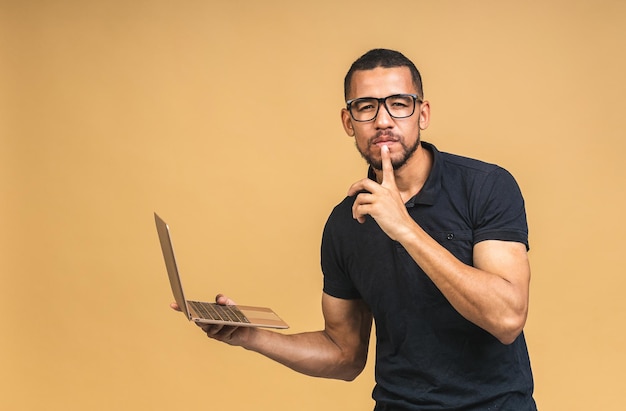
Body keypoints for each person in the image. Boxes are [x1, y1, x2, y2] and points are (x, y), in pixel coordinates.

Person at [171, 48, 536, 410]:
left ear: (422, 114)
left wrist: (404, 228)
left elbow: (506, 319)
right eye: (366, 107)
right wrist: (251, 337)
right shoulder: (345, 224)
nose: (383, 121)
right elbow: (344, 354)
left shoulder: (486, 186)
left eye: (399, 103)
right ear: (349, 122)